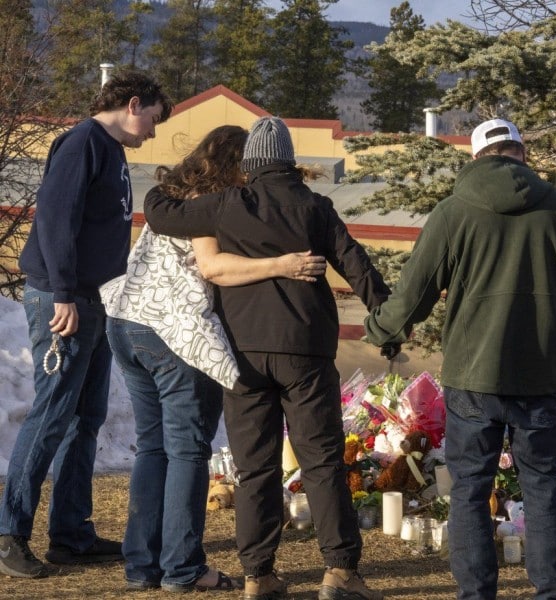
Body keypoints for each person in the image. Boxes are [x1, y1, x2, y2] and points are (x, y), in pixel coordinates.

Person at [363, 118, 556, 600]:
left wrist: (382, 329)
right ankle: (550, 593)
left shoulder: (454, 212)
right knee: (542, 489)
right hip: (542, 375)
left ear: (476, 157)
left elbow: (413, 293)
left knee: (470, 492)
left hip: (473, 379)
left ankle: (476, 595)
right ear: (521, 153)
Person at [144, 116, 389, 600]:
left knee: (256, 469)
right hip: (306, 351)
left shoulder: (225, 206)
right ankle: (340, 571)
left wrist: (171, 179)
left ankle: (259, 575)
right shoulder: (315, 207)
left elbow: (159, 214)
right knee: (321, 463)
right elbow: (358, 265)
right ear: (288, 162)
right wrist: (387, 321)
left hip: (244, 353)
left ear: (251, 165)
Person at [101, 125, 327, 593]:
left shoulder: (176, 194)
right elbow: (212, 267)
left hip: (126, 322)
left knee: (154, 447)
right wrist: (282, 264)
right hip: (174, 333)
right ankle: (183, 568)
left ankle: (142, 565)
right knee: (187, 449)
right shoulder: (213, 199)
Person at [0, 70, 172, 579]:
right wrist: (64, 292)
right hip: (66, 300)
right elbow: (54, 218)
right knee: (53, 412)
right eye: (155, 120)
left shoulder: (109, 149)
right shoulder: (82, 143)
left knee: (85, 416)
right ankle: (10, 532)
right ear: (133, 103)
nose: (154, 133)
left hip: (96, 299)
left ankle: (70, 534)